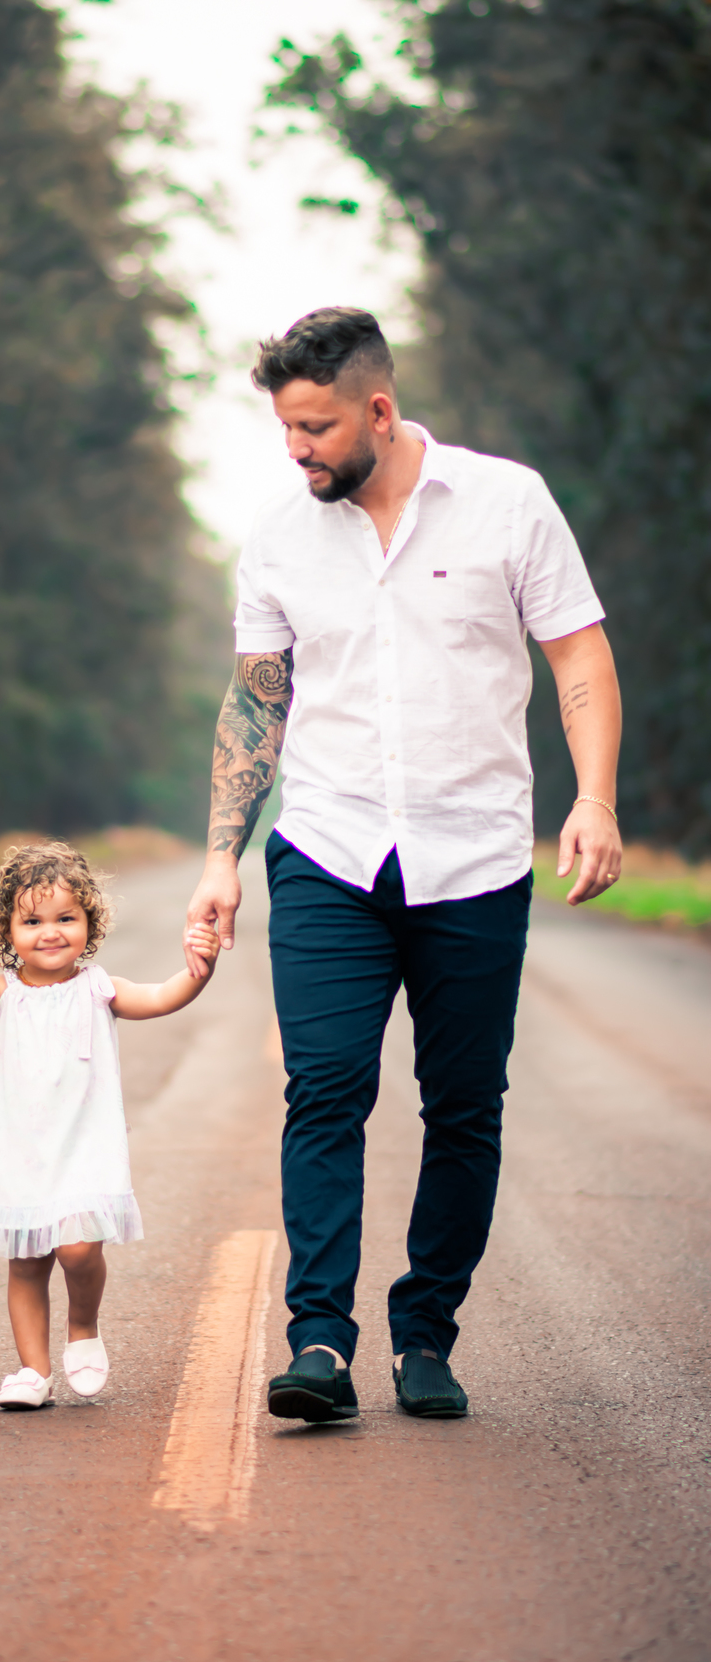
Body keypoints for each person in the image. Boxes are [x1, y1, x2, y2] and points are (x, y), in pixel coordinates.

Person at [185, 307, 622, 1423]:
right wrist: (222, 855)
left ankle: (426, 1332)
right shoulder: (280, 536)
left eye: (316, 427)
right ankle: (319, 1340)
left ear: (378, 410)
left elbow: (578, 655)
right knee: (325, 1088)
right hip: (327, 851)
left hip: (475, 857)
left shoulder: (507, 502)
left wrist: (596, 799)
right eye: (286, 428)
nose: (297, 449)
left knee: (464, 1106)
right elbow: (256, 703)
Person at [0, 841, 220, 1409]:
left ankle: (83, 1324)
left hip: (84, 1146)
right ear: (6, 930)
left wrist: (198, 972)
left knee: (79, 1251)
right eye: (32, 921)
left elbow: (162, 997)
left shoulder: (98, 987)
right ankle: (32, 1371)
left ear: (90, 922)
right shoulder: (1, 990)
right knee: (27, 1261)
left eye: (66, 918)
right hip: (19, 1149)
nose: (51, 932)